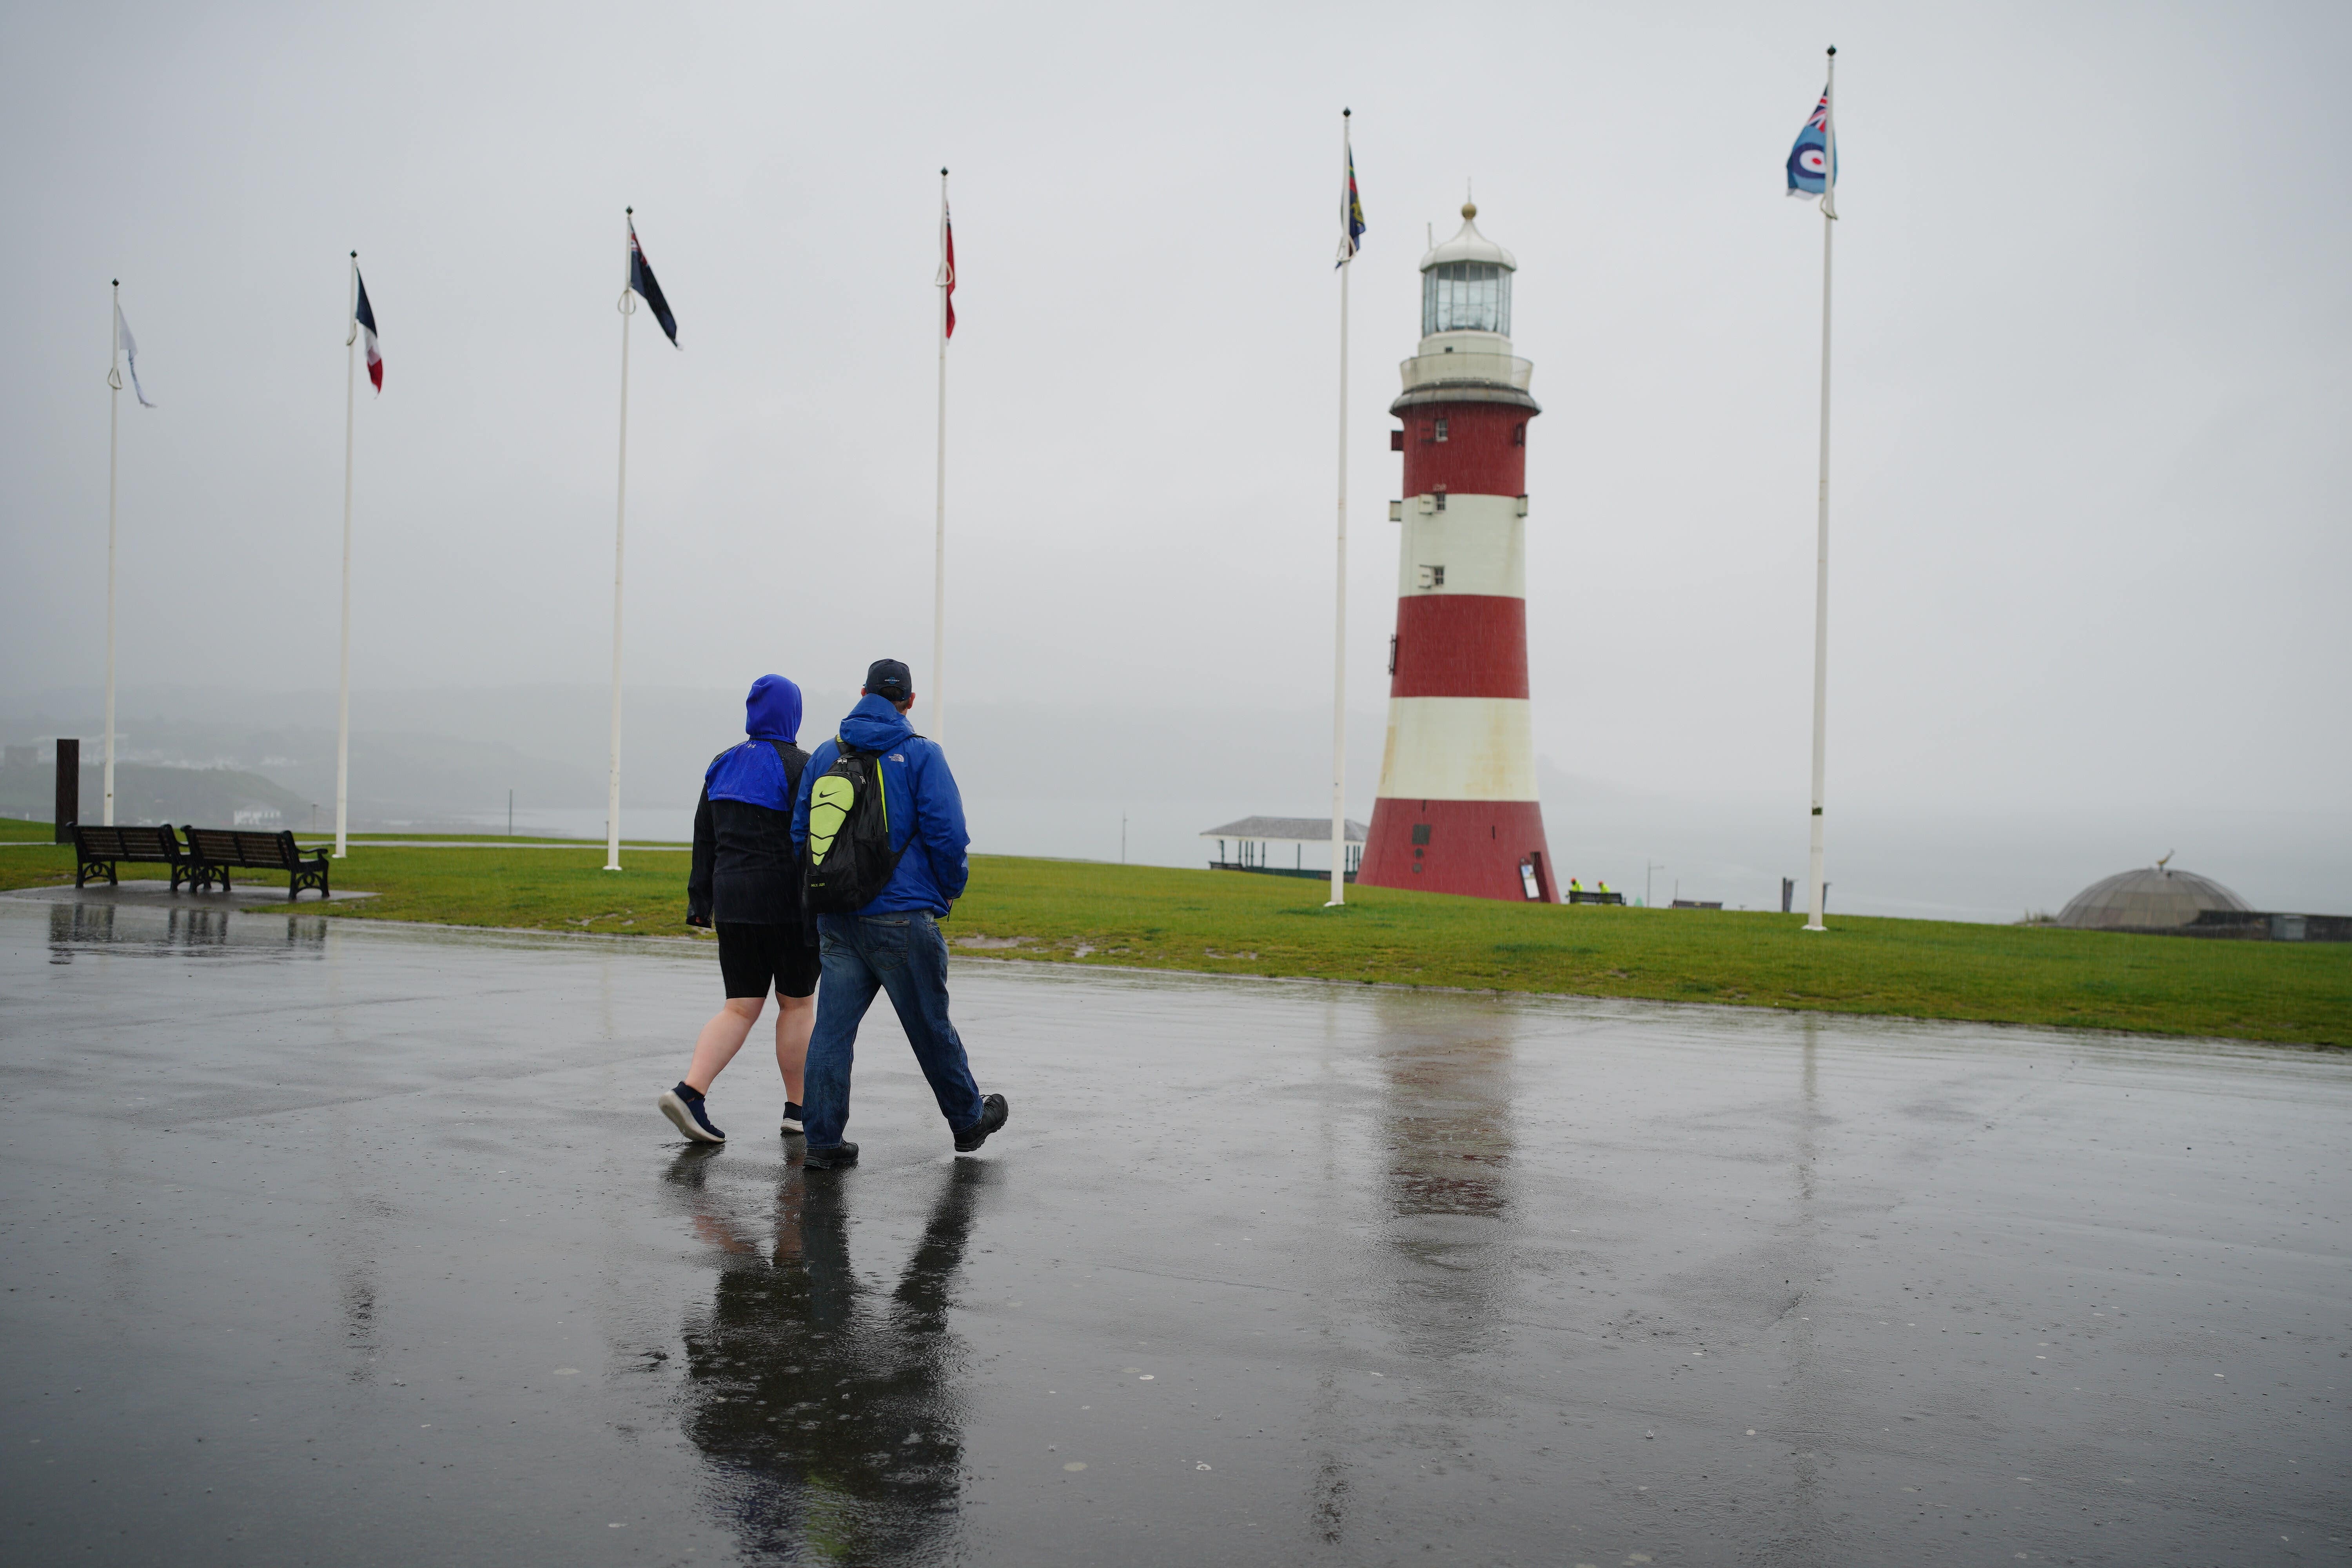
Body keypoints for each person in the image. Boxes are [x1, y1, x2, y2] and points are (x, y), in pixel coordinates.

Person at [789, 659, 1007, 1169]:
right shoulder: (922, 755)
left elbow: (801, 836)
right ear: (909, 702)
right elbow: (947, 834)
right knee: (930, 1025)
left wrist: (824, 892)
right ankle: (968, 1120)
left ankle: (822, 1141)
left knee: (831, 1032)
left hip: (837, 918)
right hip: (902, 916)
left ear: (862, 692)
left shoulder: (825, 753)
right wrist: (948, 890)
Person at [658, 674, 817, 1145]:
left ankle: (691, 1091)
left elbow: (703, 837)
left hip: (732, 903)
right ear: (793, 714)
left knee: (740, 1006)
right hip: (787, 906)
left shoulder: (721, 764)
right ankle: (798, 1109)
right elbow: (812, 840)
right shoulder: (803, 767)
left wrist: (699, 901)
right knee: (797, 1004)